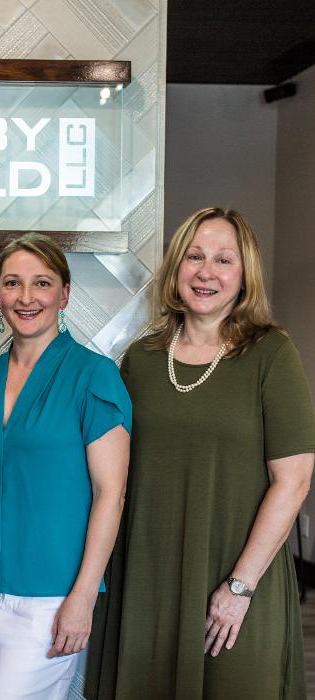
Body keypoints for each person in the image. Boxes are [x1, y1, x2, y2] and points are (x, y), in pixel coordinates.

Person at [85, 207, 315, 699]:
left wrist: (239, 587)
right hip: (147, 580)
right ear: (176, 268)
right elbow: (112, 478)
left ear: (244, 274)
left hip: (238, 582)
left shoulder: (271, 355)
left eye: (223, 260)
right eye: (194, 256)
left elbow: (293, 481)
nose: (206, 272)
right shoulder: (141, 361)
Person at [0, 233, 131, 699]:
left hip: (51, 599)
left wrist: (82, 597)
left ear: (64, 294)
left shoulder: (93, 375)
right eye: (12, 283)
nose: (26, 298)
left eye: (41, 283)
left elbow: (111, 494)